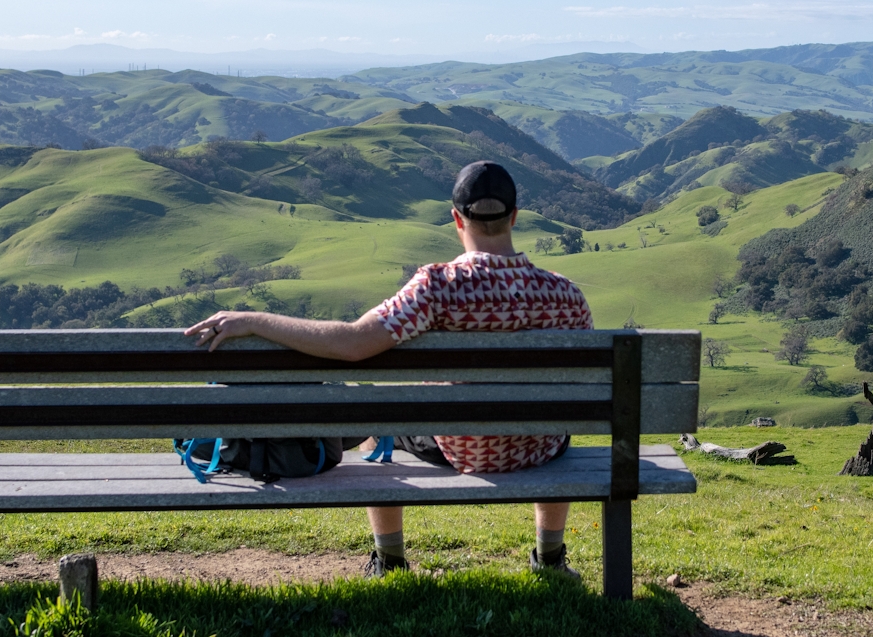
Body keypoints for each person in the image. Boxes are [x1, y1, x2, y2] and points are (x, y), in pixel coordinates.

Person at [185, 160, 592, 579]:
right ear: (514, 217)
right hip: (541, 447)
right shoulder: (566, 295)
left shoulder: (438, 286)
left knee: (379, 428)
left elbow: (352, 342)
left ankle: (389, 561)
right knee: (552, 418)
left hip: (456, 446)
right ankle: (549, 559)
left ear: (456, 218)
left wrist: (255, 321)